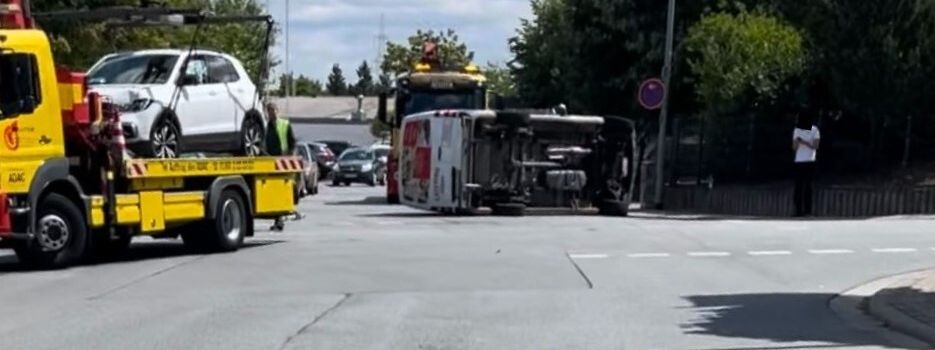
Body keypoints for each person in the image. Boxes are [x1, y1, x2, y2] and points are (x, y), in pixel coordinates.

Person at [264, 101, 299, 231]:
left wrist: (290, 157)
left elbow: (292, 142)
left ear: (278, 111)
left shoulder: (285, 124)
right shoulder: (265, 126)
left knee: (285, 188)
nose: (271, 113)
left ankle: (281, 218)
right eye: (269, 111)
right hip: (270, 163)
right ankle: (278, 219)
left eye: (273, 110)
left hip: (283, 162)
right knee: (274, 191)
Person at [792, 111, 820, 217]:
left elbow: (815, 146)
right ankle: (797, 210)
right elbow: (794, 147)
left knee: (808, 186)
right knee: (798, 186)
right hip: (799, 160)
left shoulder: (815, 130)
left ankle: (808, 210)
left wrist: (804, 142)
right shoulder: (797, 130)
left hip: (810, 160)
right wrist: (797, 142)